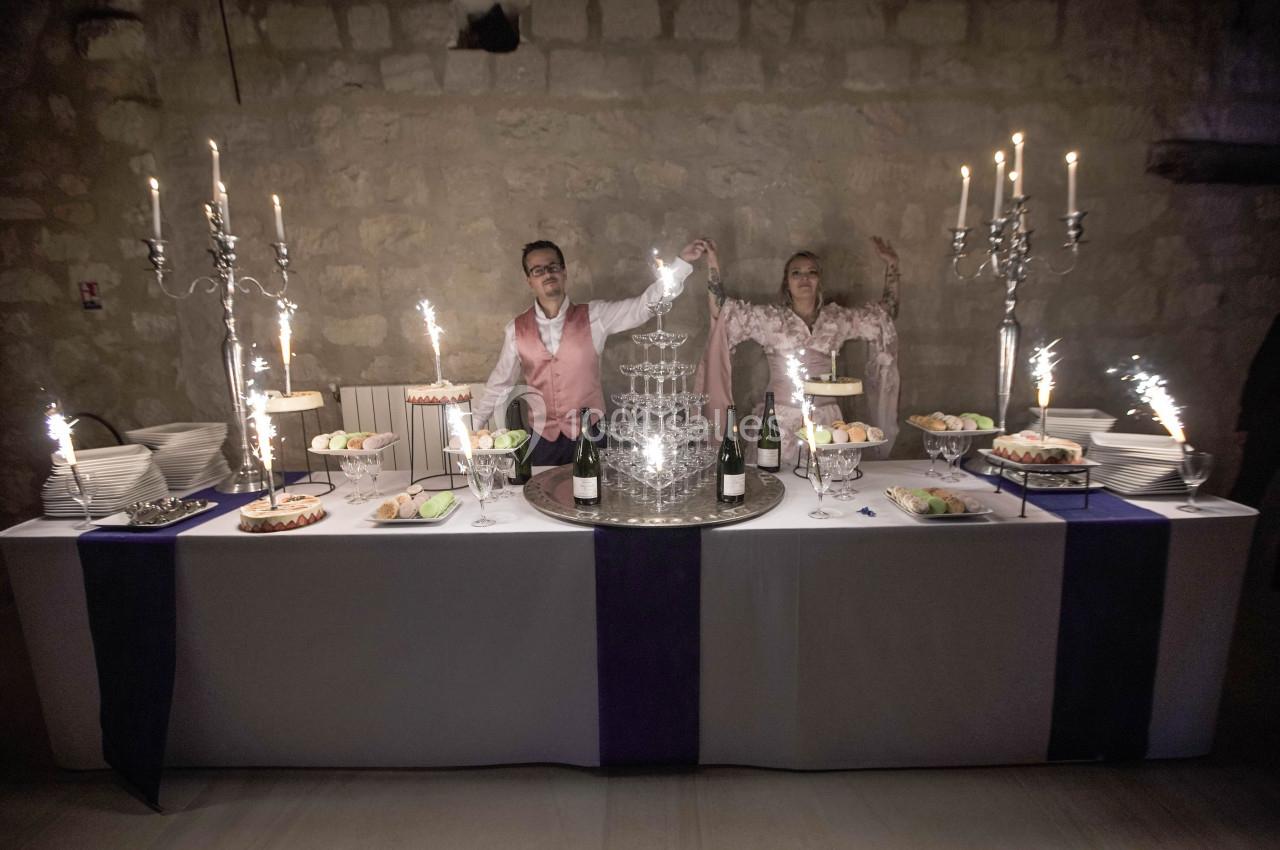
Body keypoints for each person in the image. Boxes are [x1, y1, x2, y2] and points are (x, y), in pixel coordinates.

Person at [473, 238, 709, 465]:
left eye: (552, 266)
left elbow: (642, 307)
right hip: (541, 440)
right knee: (540, 501)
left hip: (592, 433)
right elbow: (499, 383)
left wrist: (682, 264)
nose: (547, 273)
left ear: (564, 272)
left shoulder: (596, 316)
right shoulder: (515, 330)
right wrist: (473, 431)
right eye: (537, 270)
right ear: (529, 280)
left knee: (595, 500)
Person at [698, 238, 901, 466]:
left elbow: (886, 315)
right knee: (775, 484)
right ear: (787, 282)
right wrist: (712, 261)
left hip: (826, 420)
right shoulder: (770, 319)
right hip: (779, 420)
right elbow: (722, 310)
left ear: (819, 281)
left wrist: (892, 264)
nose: (804, 278)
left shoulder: (837, 319)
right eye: (796, 273)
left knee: (827, 482)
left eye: (811, 272)